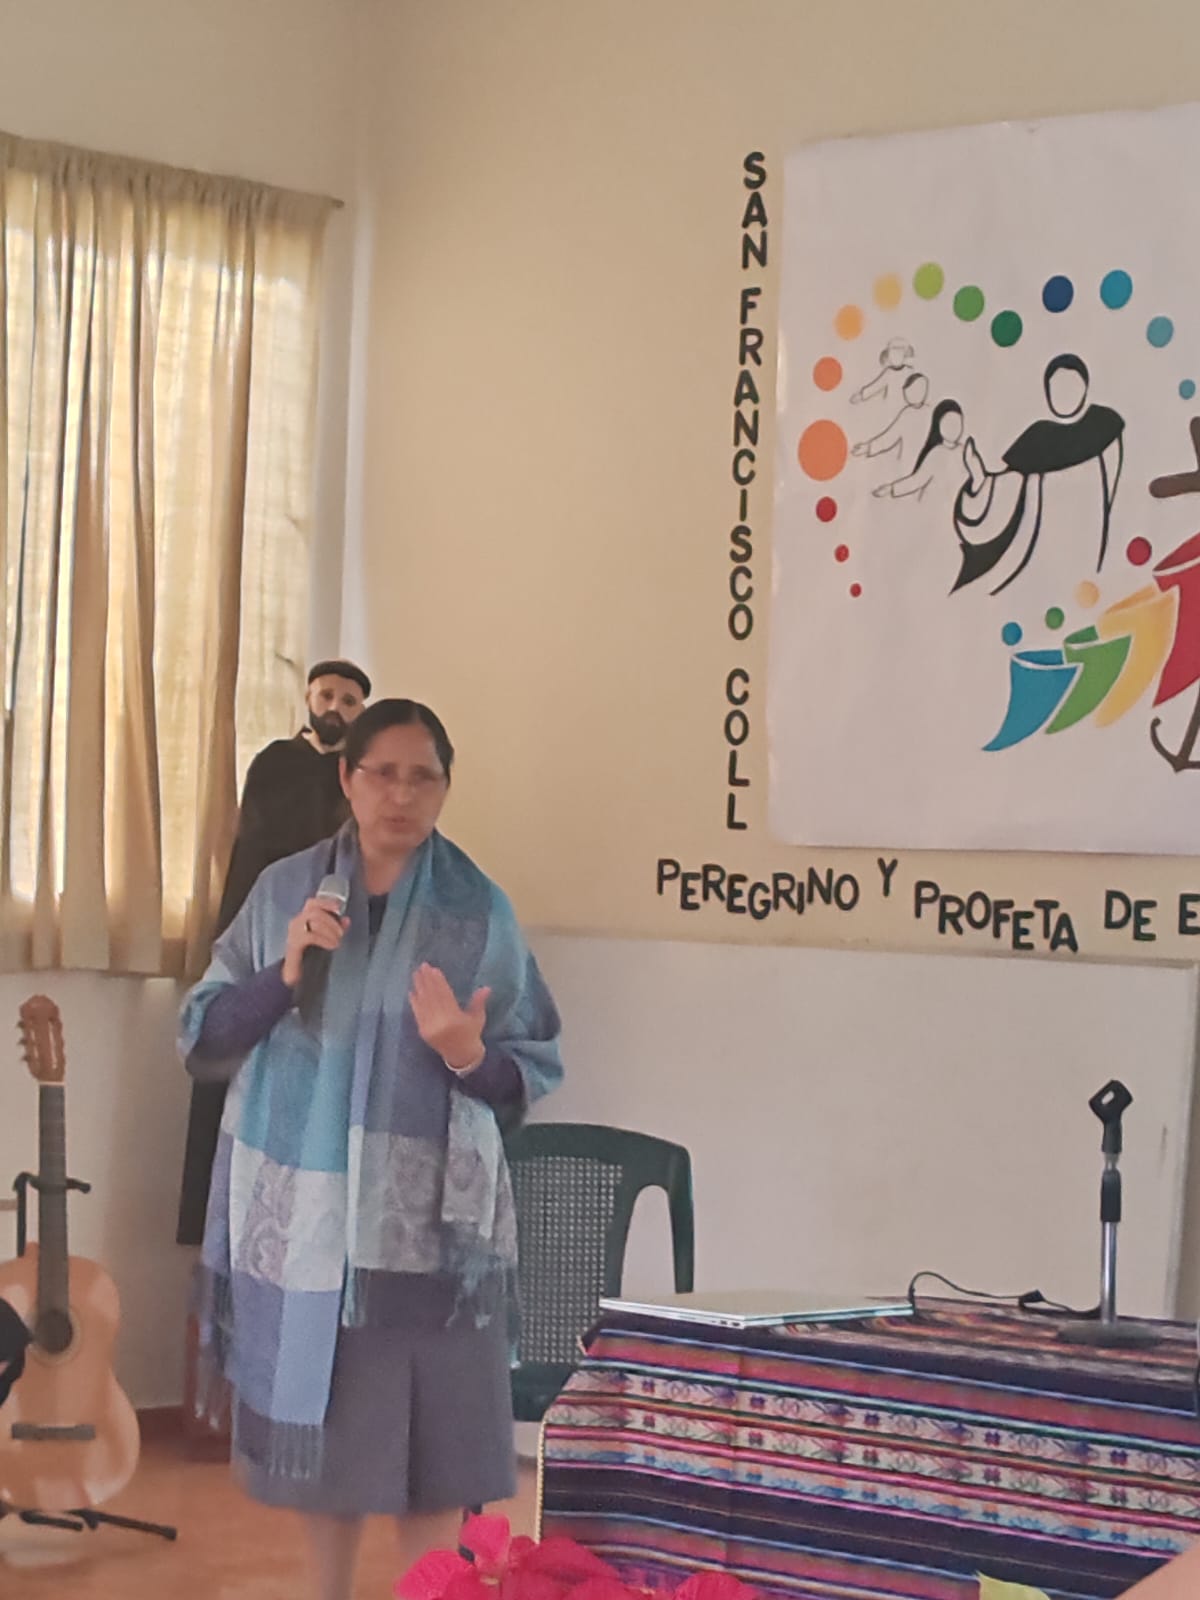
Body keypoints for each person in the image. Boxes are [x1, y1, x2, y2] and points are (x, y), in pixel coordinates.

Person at [178, 699, 563, 1600]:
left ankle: (430, 1592)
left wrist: (466, 1054)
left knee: (434, 1457)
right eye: (382, 773)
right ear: (348, 780)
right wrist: (285, 974)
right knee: (333, 1447)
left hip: (433, 1232)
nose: (401, 793)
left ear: (445, 789)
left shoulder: (480, 912)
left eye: (422, 776)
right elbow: (204, 1035)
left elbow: (530, 1066)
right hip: (309, 1226)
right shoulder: (284, 892)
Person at [176, 659, 372, 1246]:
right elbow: (260, 851)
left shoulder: (363, 777)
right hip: (265, 931)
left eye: (349, 700)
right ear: (309, 699)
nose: (335, 707)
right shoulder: (276, 764)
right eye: (326, 695)